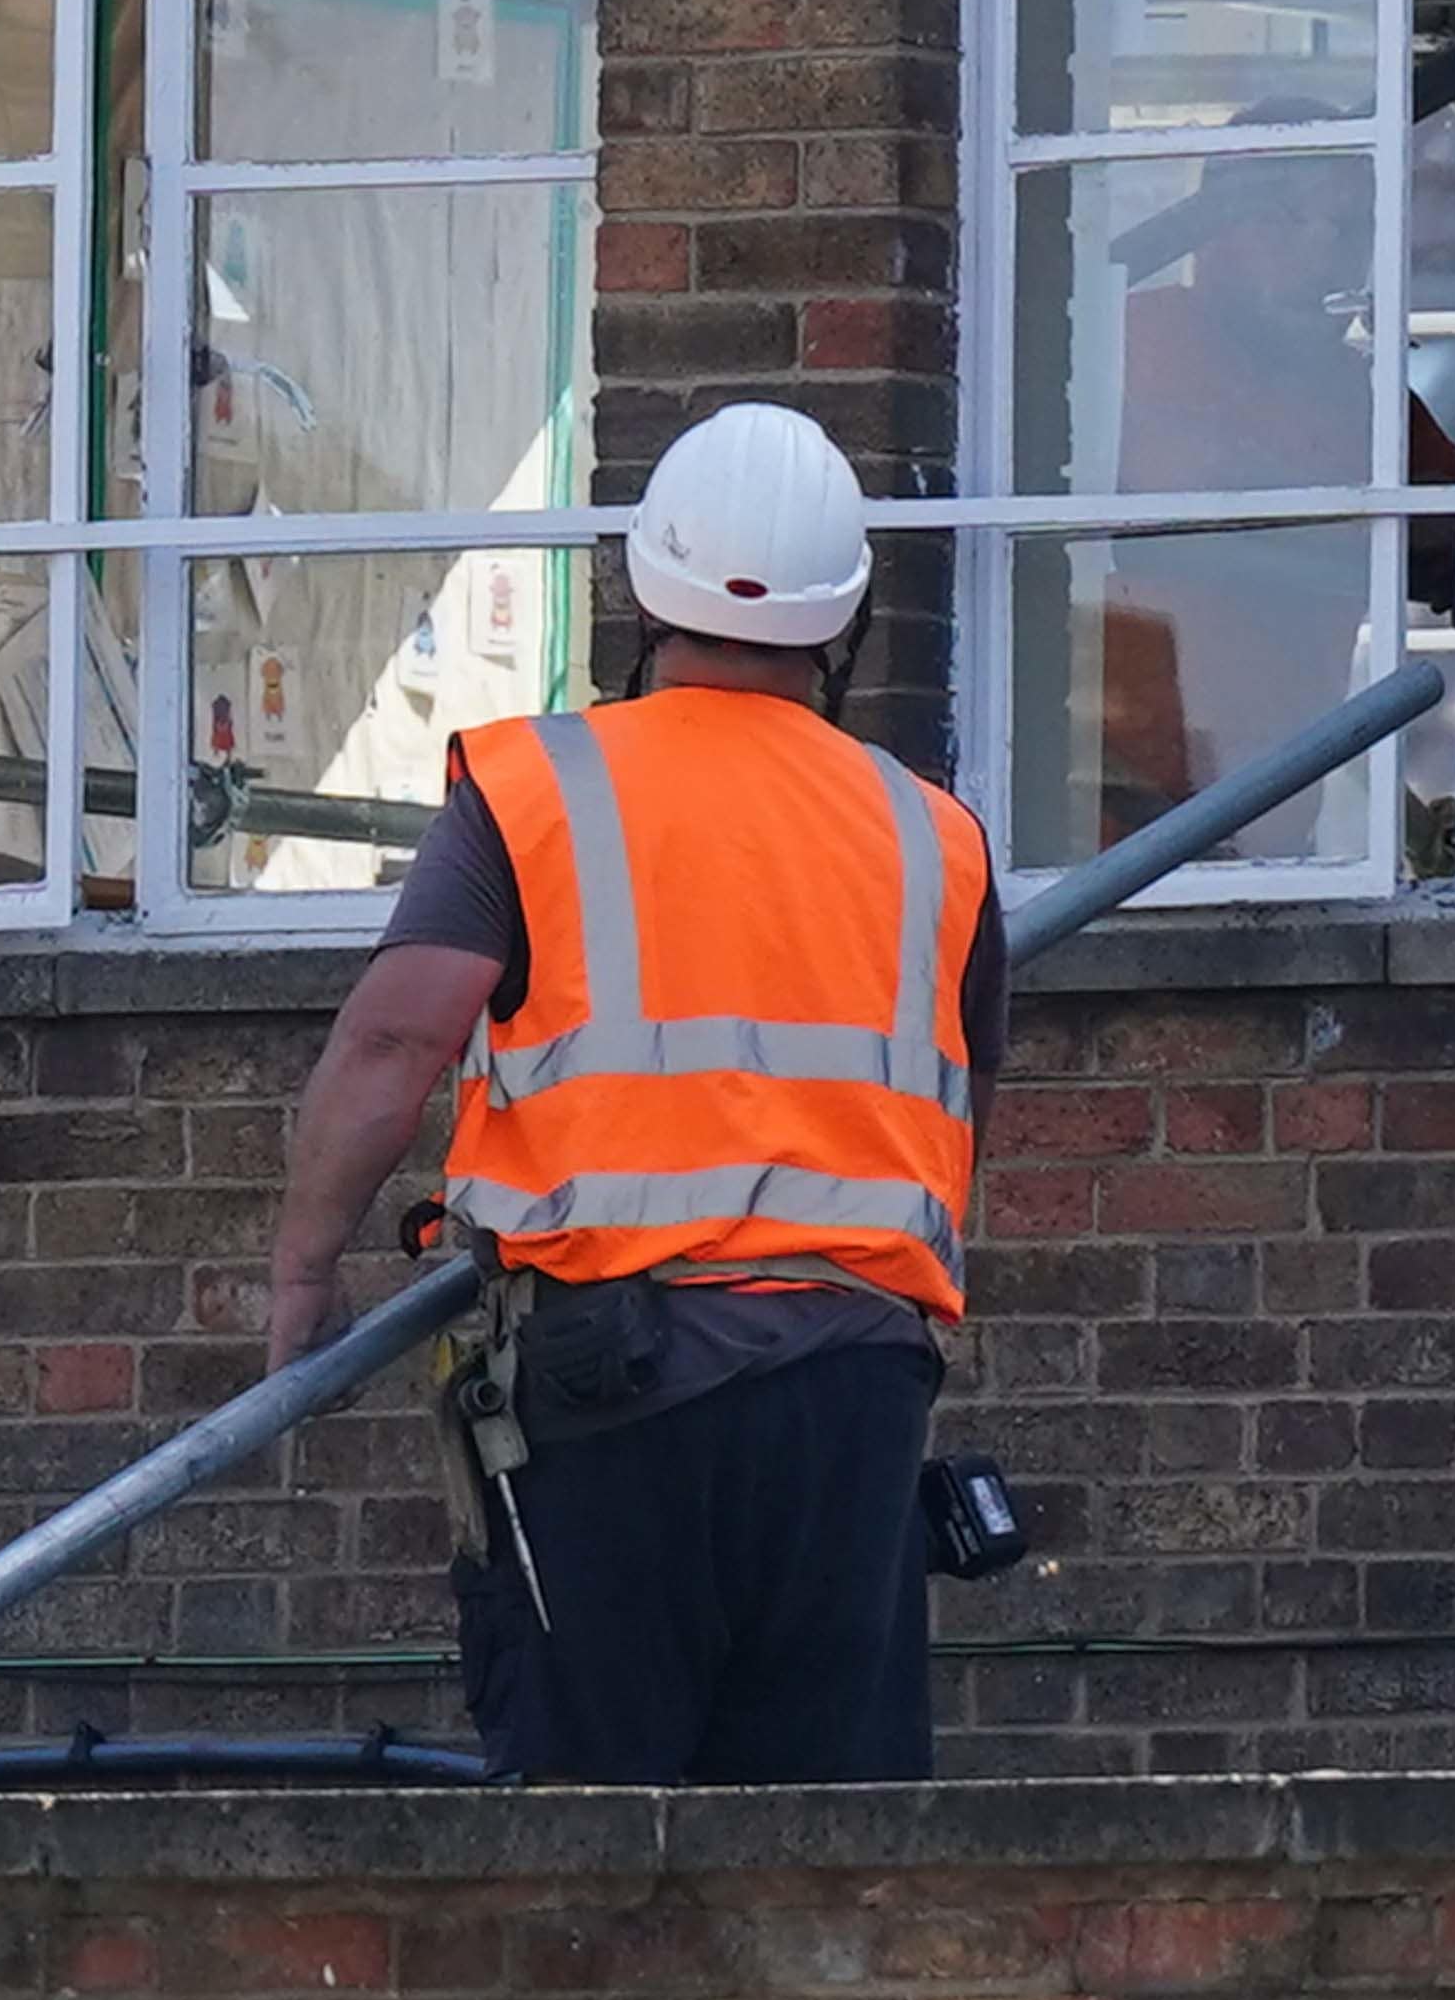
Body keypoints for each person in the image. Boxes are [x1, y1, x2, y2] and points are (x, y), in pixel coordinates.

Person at [256, 402, 1008, 1784]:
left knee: (590, 1837)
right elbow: (955, 1107)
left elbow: (389, 1045)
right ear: (846, 622)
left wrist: (305, 1273)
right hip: (851, 1398)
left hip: (613, 1394)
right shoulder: (935, 837)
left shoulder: (535, 789)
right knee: (828, 1845)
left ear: (637, 590)